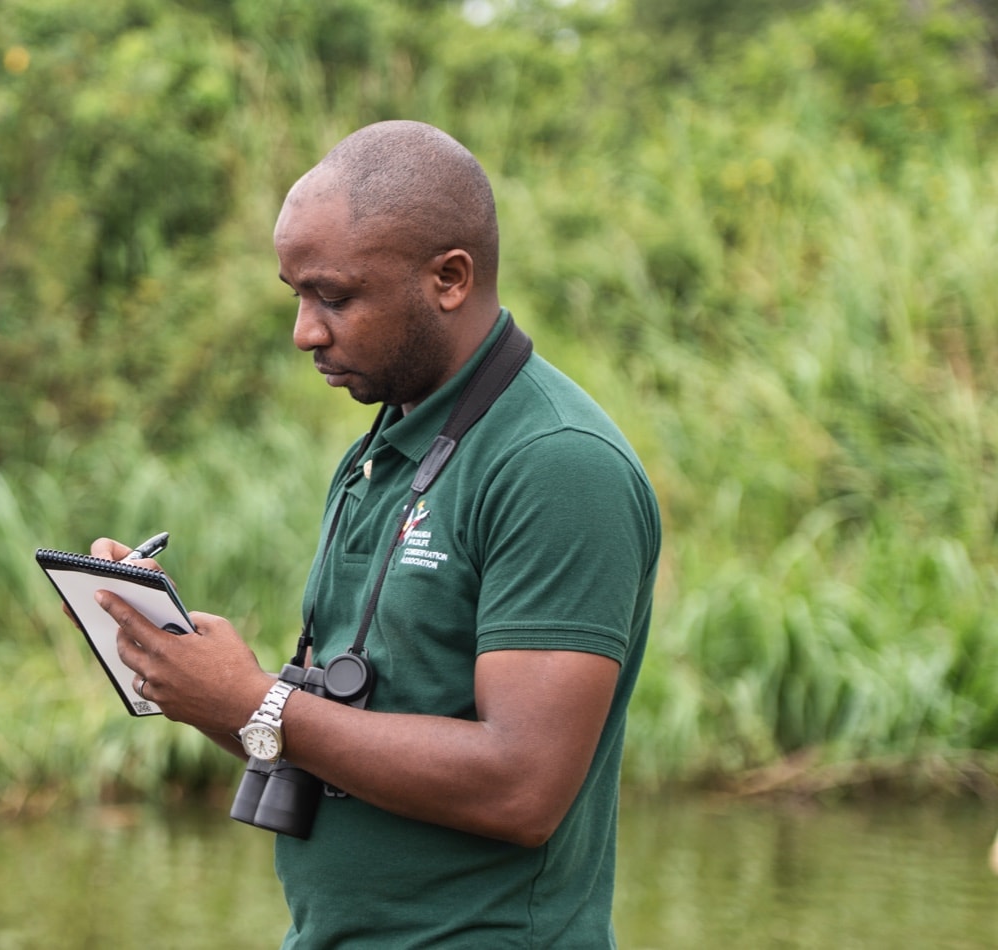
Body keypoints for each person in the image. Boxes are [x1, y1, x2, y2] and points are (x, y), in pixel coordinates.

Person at [92, 120, 661, 948]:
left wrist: (258, 697)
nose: (305, 331)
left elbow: (522, 789)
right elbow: (329, 740)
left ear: (450, 279)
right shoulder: (387, 445)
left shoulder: (556, 464)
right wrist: (186, 674)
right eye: (296, 294)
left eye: (335, 296)